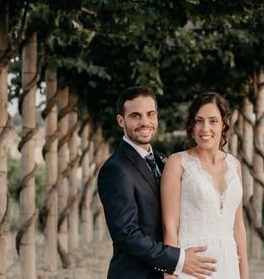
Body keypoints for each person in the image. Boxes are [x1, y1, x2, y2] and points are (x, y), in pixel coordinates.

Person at [98, 86, 218, 279]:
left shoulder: (164, 160)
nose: (145, 122)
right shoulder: (115, 169)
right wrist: (178, 259)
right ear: (121, 120)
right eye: (136, 116)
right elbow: (127, 235)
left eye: (150, 114)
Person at [161, 92, 249, 279]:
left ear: (224, 123)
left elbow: (238, 226)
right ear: (192, 125)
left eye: (213, 121)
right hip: (193, 265)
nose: (205, 128)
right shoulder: (177, 163)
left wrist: (244, 275)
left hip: (228, 263)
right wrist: (170, 274)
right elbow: (170, 226)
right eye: (199, 121)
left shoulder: (235, 165)